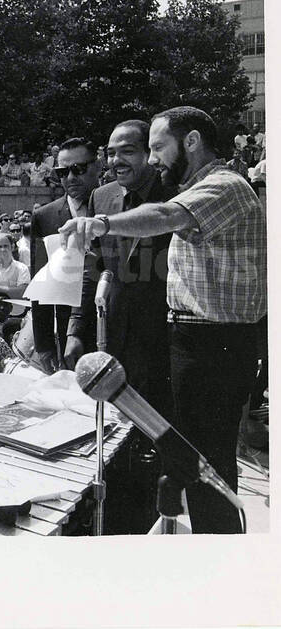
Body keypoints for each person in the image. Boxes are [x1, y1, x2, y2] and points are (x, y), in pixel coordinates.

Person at [59, 106, 267, 534]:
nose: (153, 160)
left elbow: (164, 217)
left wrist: (100, 223)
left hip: (214, 345)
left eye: (157, 147)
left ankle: (224, 559)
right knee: (192, 462)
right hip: (195, 341)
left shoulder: (224, 186)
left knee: (208, 468)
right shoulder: (200, 189)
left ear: (190, 142)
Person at [63, 120, 174, 423]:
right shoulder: (102, 197)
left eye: (127, 152)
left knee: (160, 429)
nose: (116, 161)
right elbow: (93, 269)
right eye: (111, 153)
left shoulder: (175, 195)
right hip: (111, 337)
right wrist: (75, 329)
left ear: (149, 153)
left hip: (163, 341)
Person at [30, 138, 100, 373]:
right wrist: (44, 345)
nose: (70, 177)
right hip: (66, 327)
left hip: (111, 324)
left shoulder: (116, 206)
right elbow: (40, 283)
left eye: (78, 169)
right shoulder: (45, 216)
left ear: (97, 166)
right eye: (62, 171)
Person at [0, 233, 31, 299]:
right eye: (0, 246)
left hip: (17, 309)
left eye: (6, 246)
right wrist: (13, 290)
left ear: (12, 247)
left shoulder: (22, 268)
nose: (3, 249)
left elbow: (22, 292)